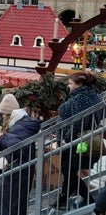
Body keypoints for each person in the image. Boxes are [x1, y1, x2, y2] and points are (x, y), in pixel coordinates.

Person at [54, 72, 103, 210]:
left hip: (74, 142)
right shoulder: (93, 96)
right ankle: (63, 201)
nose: (68, 87)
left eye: (70, 84)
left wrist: (65, 140)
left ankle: (87, 200)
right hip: (83, 141)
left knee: (68, 171)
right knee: (69, 172)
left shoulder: (80, 99)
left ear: (79, 85)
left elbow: (77, 122)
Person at [0, 94, 41, 215]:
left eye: (4, 113)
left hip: (16, 171)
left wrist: (1, 138)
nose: (2, 116)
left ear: (10, 114)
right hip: (20, 170)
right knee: (14, 204)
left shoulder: (19, 126)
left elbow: (17, 147)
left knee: (5, 204)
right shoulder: (23, 124)